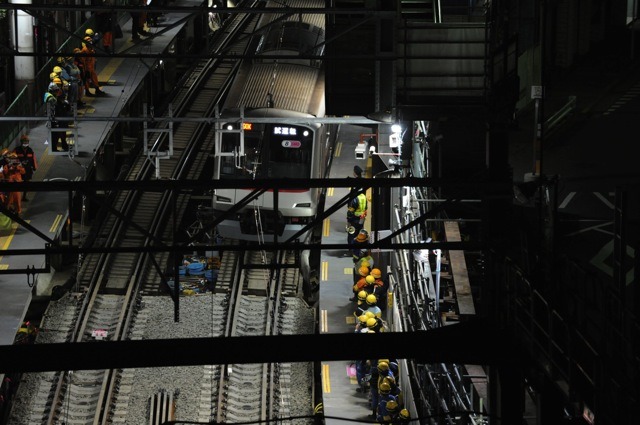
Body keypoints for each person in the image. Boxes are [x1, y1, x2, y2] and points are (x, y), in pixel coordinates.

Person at [13, 135, 37, 201]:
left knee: (26, 184)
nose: (25, 143)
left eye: (27, 141)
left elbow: (33, 159)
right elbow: (13, 159)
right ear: (21, 142)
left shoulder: (30, 150)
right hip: (19, 171)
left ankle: (24, 196)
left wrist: (34, 167)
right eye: (24, 141)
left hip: (28, 170)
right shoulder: (17, 150)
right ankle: (16, 197)